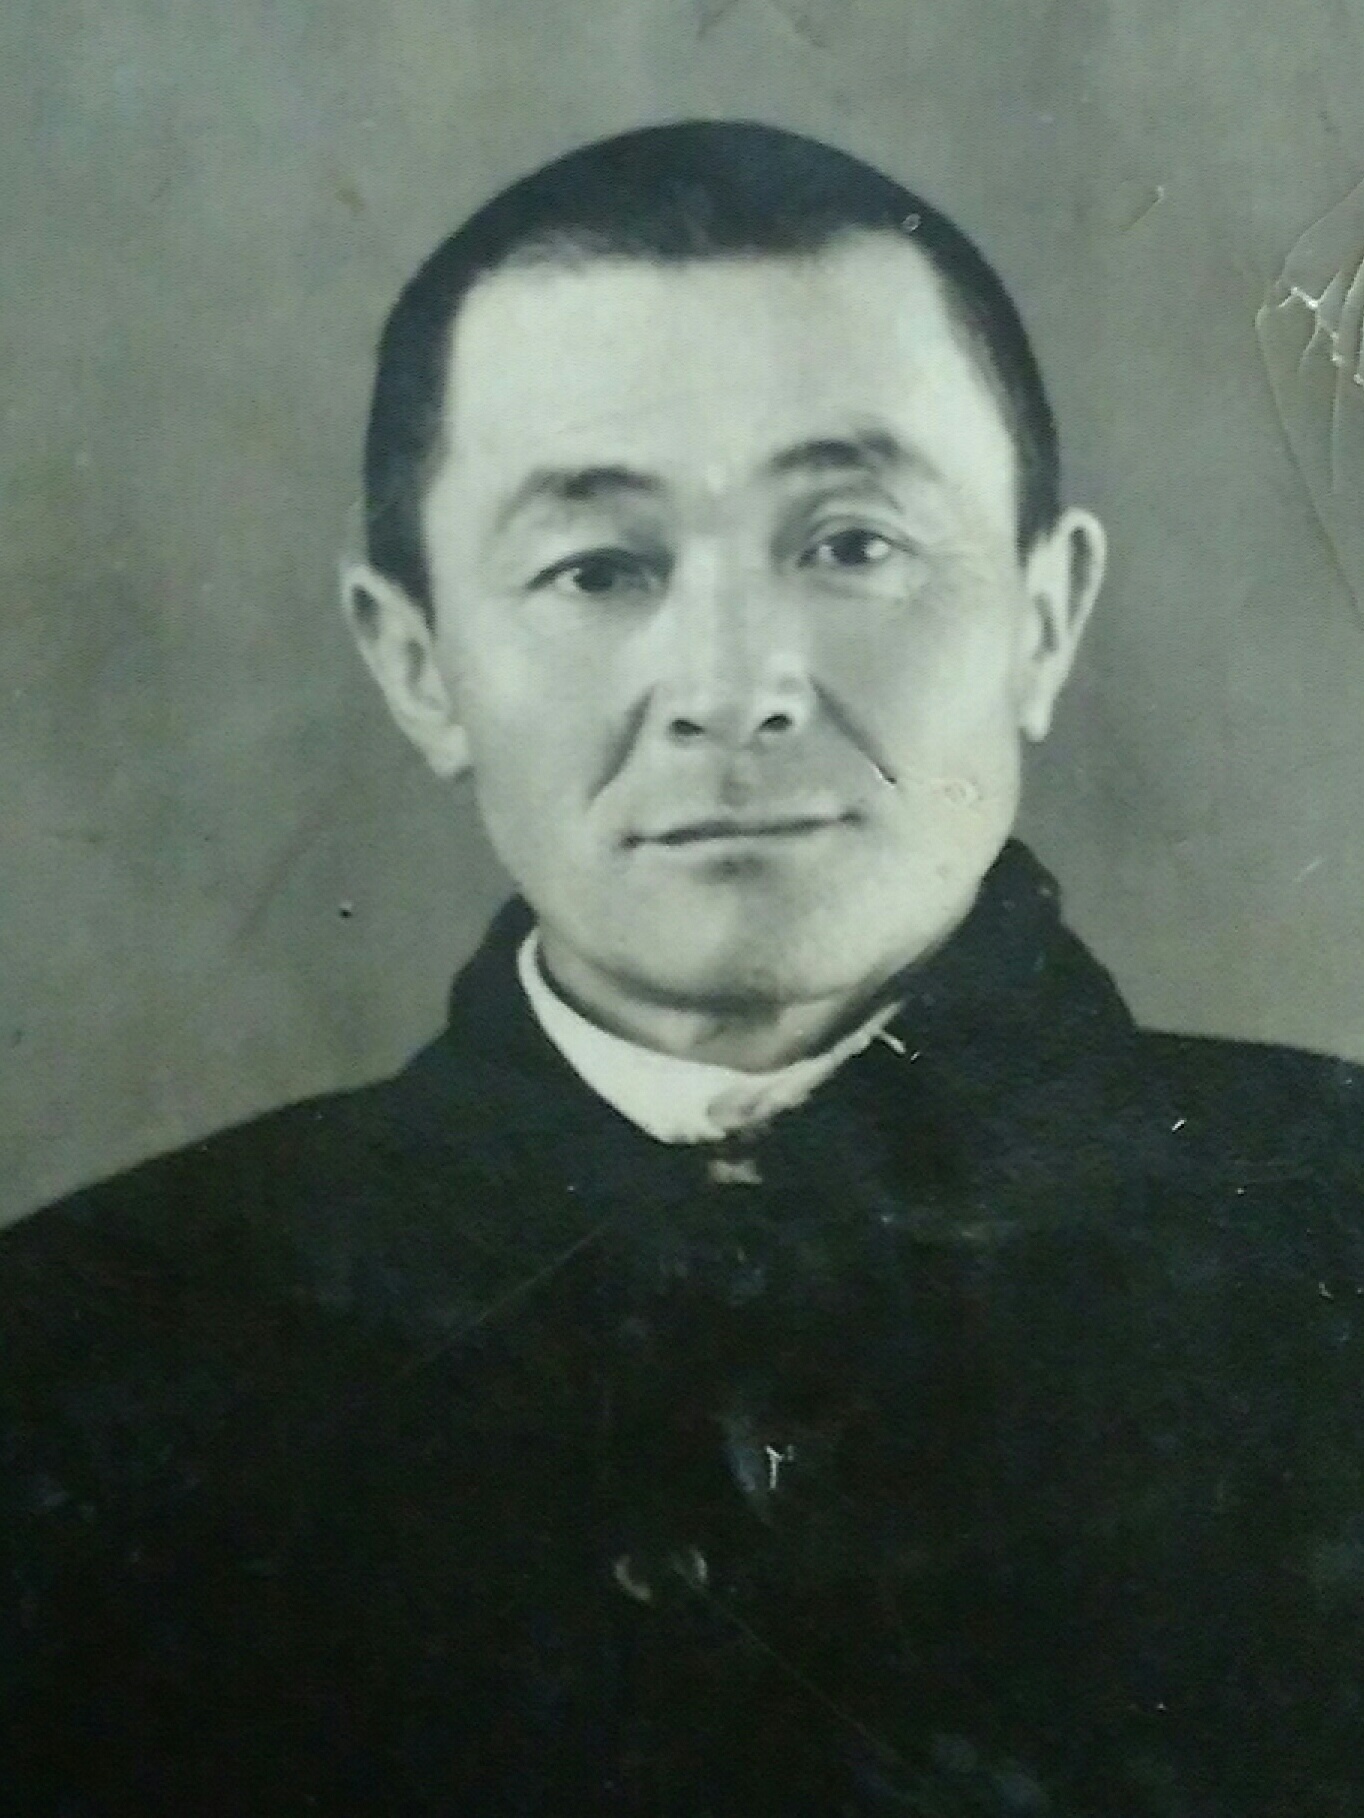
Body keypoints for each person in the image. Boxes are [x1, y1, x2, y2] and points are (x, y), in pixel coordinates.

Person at [3, 121, 1362, 1818]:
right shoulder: (77, 1356)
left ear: (1043, 613)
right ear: (418, 662)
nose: (735, 687)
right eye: (601, 568)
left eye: (850, 544)